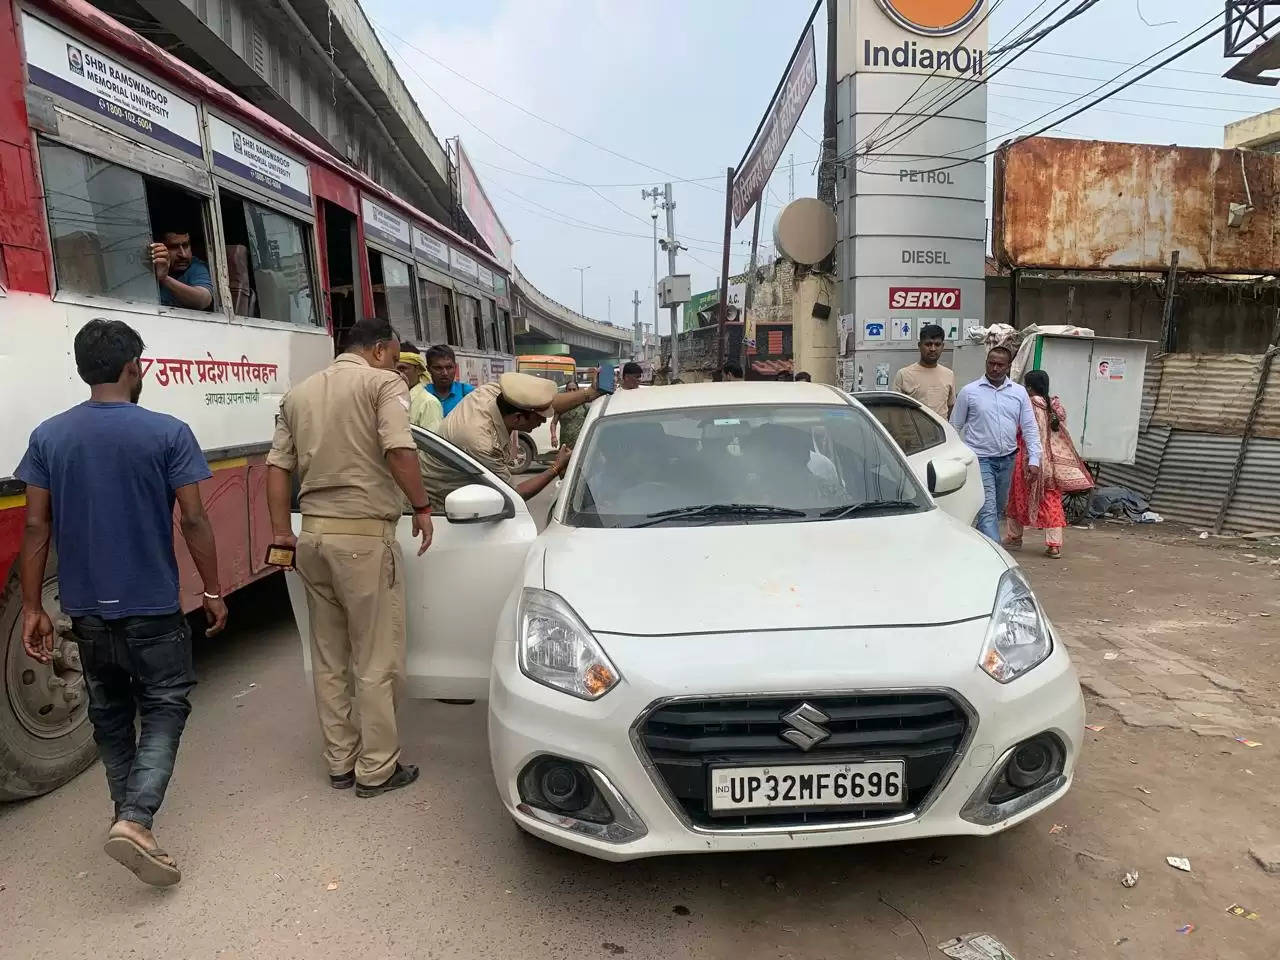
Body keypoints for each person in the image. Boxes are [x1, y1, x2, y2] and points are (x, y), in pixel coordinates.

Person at [16, 318, 227, 887]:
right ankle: (135, 819)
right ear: (134, 367)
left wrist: (34, 607)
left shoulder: (48, 436)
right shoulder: (169, 432)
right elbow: (194, 519)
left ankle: (126, 818)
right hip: (152, 607)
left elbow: (36, 528)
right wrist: (211, 589)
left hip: (86, 611)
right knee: (164, 705)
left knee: (110, 715)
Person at [265, 317, 435, 799]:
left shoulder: (297, 394)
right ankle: (377, 768)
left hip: (312, 539)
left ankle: (340, 761)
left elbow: (277, 469)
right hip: (363, 539)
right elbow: (400, 450)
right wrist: (422, 507)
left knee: (329, 656)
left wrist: (284, 533)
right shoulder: (384, 384)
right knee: (376, 657)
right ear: (380, 350)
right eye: (396, 355)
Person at [419, 371, 600, 510]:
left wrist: (590, 393)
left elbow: (548, 404)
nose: (544, 421)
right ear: (517, 419)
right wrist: (556, 467)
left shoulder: (496, 393)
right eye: (539, 418)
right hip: (435, 505)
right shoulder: (481, 443)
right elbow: (514, 494)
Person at [951, 346, 1042, 543]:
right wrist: (956, 456)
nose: (995, 368)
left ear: (1008, 367)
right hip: (980, 460)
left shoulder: (1018, 393)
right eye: (991, 363)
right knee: (988, 510)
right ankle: (998, 556)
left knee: (998, 508)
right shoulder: (970, 392)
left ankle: (977, 541)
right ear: (986, 363)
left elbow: (1030, 427)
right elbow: (955, 425)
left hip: (1007, 460)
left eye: (1000, 365)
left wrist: (1035, 458)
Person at [1006, 370, 1093, 559]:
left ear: (1028, 387)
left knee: (1017, 497)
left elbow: (1019, 429)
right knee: (1051, 500)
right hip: (1050, 462)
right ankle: (1054, 545)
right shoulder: (1053, 406)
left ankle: (1014, 537)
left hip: (1027, 458)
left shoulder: (1028, 405)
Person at [892, 323, 955, 417]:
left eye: (937, 344)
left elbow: (950, 406)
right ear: (919, 345)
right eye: (928, 344)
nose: (933, 349)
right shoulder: (903, 374)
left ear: (943, 346)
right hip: (911, 431)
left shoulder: (949, 374)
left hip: (941, 431)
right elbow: (894, 410)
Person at [149, 228, 214, 311]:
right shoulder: (145, 267)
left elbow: (203, 300)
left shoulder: (196, 266)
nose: (183, 255)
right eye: (173, 247)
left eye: (185, 245)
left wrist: (164, 278)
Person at [396, 342, 444, 433]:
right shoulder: (391, 399)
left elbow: (430, 444)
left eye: (402, 369)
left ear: (418, 370)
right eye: (394, 369)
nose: (397, 374)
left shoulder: (428, 403)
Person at [424, 344, 475, 416]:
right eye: (438, 368)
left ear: (455, 367)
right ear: (428, 369)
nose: (445, 373)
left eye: (449, 367)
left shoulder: (469, 393)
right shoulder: (422, 395)